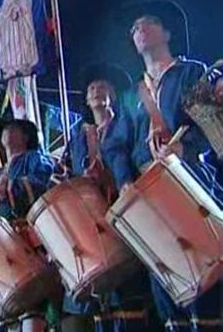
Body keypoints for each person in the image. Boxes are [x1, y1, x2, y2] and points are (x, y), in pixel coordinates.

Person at [104, 14, 223, 331]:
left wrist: (185, 149)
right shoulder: (131, 95)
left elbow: (212, 121)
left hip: (188, 179)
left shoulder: (192, 73)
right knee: (164, 279)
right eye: (134, 27)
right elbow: (116, 145)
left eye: (148, 23)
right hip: (146, 189)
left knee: (203, 269)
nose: (139, 29)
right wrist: (124, 181)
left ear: (168, 33)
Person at [63, 65, 151, 331]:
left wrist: (116, 178)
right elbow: (62, 176)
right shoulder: (78, 136)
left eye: (103, 87)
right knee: (103, 300)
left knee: (130, 293)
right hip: (92, 222)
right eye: (92, 88)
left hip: (126, 213)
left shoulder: (130, 122)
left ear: (113, 94)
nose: (97, 90)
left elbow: (142, 159)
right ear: (87, 100)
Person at [0, 118, 55, 332]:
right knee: (5, 311)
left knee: (32, 304)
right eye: (4, 130)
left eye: (12, 128)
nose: (6, 132)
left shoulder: (34, 158)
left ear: (26, 136)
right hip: (2, 246)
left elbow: (43, 183)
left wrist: (10, 189)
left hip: (28, 239)